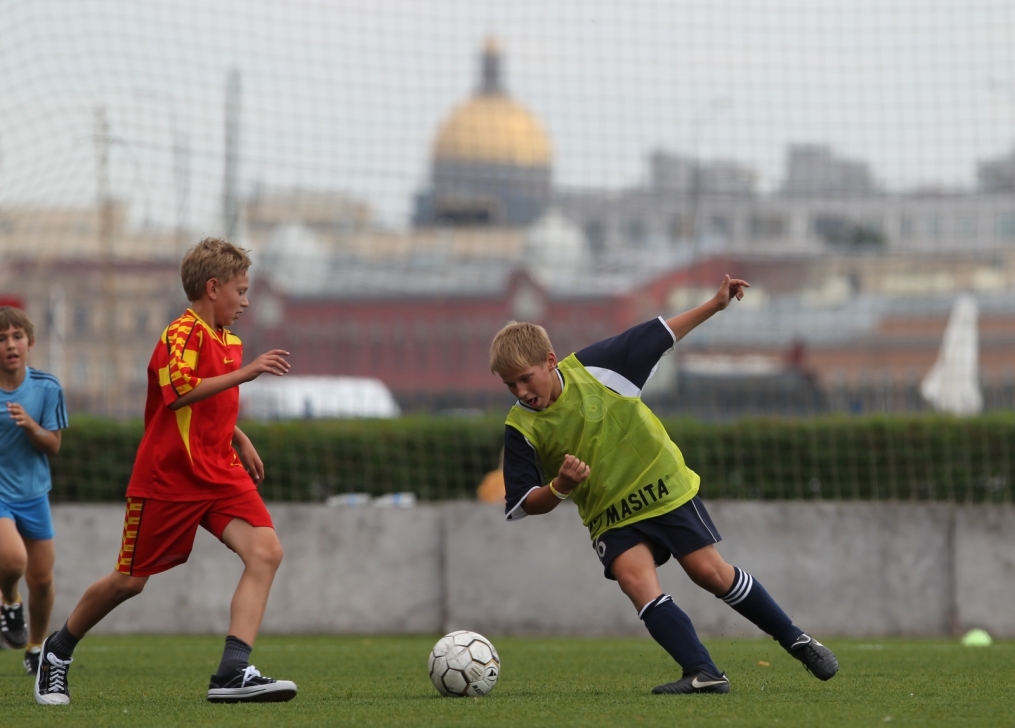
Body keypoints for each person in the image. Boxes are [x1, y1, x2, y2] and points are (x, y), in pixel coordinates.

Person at [489, 275, 839, 695]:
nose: (521, 391)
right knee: (636, 582)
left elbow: (665, 334)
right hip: (610, 513)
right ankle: (704, 672)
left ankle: (797, 639)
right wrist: (561, 486)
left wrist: (715, 304)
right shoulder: (519, 426)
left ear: (550, 360)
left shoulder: (599, 366)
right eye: (511, 385)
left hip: (660, 486)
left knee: (709, 573)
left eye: (526, 378)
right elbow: (524, 503)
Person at [35, 238, 297, 706]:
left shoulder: (228, 340)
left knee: (266, 552)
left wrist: (237, 436)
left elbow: (208, 404)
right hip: (168, 479)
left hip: (220, 473)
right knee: (129, 582)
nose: (246, 300)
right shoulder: (181, 332)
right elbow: (178, 393)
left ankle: (233, 672)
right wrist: (248, 373)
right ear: (212, 288)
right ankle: (57, 651)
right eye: (241, 290)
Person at [0, 307, 68, 678]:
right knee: (12, 561)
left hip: (34, 494)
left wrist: (30, 426)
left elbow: (53, 445)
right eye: (1, 339)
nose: (10, 345)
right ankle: (9, 601)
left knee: (42, 580)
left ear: (30, 342)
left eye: (16, 337)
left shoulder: (46, 387)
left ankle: (36, 645)